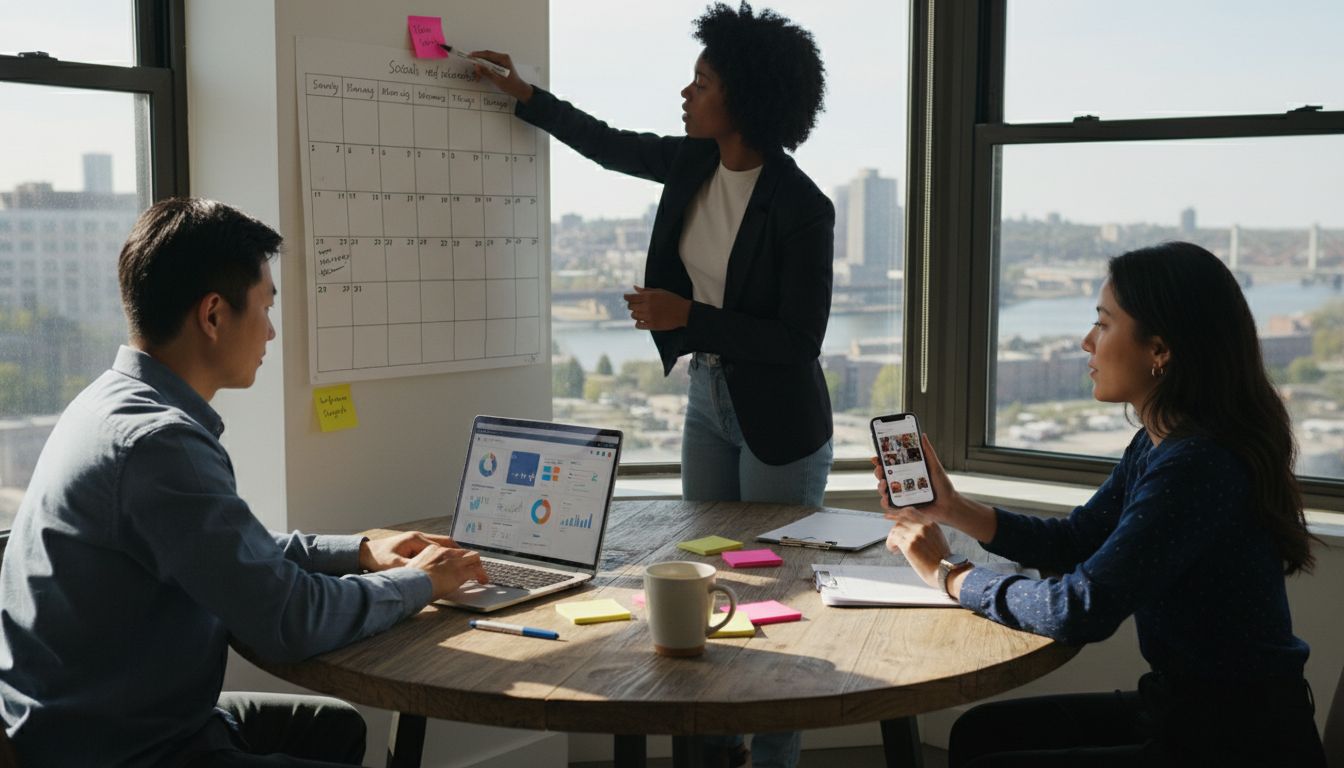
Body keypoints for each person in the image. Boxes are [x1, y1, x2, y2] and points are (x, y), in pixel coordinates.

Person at [0, 198, 489, 767]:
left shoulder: (108, 402)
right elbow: (291, 619)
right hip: (120, 749)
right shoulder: (159, 443)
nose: (272, 332)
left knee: (335, 729)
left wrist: (361, 552)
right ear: (212, 315)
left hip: (79, 717)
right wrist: (422, 583)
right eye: (265, 306)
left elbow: (232, 552)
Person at [472, 4, 830, 765]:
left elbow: (800, 342)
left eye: (702, 81)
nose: (686, 92)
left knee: (776, 598)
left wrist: (688, 315)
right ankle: (708, 749)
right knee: (700, 580)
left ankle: (772, 757)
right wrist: (525, 93)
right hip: (710, 398)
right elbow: (606, 146)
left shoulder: (803, 207)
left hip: (779, 420)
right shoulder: (694, 163)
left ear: (746, 99)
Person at [875, 242, 1327, 766]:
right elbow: (1076, 541)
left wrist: (949, 574)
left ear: (1159, 350)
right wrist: (952, 507)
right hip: (1185, 710)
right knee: (980, 731)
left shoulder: (1197, 463)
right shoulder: (1163, 439)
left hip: (1237, 741)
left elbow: (1080, 609)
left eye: (1104, 324)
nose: (1087, 341)